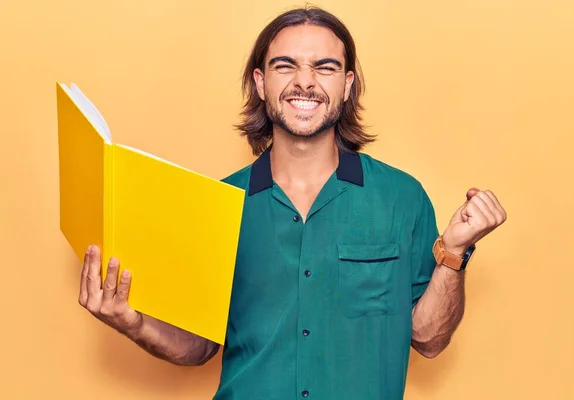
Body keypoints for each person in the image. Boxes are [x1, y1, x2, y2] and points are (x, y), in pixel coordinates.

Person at [77, 6, 507, 399]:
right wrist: (132, 322)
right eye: (286, 66)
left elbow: (428, 338)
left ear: (347, 84)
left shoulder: (401, 198)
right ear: (262, 83)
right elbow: (198, 346)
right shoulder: (215, 205)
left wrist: (452, 253)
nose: (305, 82)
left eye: (325, 67)